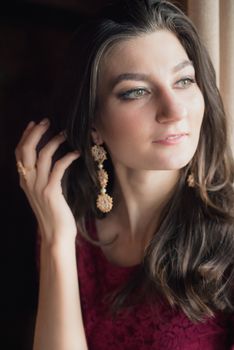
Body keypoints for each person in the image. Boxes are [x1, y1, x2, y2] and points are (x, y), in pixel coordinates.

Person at [15, 0, 234, 349]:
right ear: (94, 123)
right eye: (137, 91)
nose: (174, 110)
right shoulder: (72, 231)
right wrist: (57, 240)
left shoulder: (228, 236)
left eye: (184, 80)